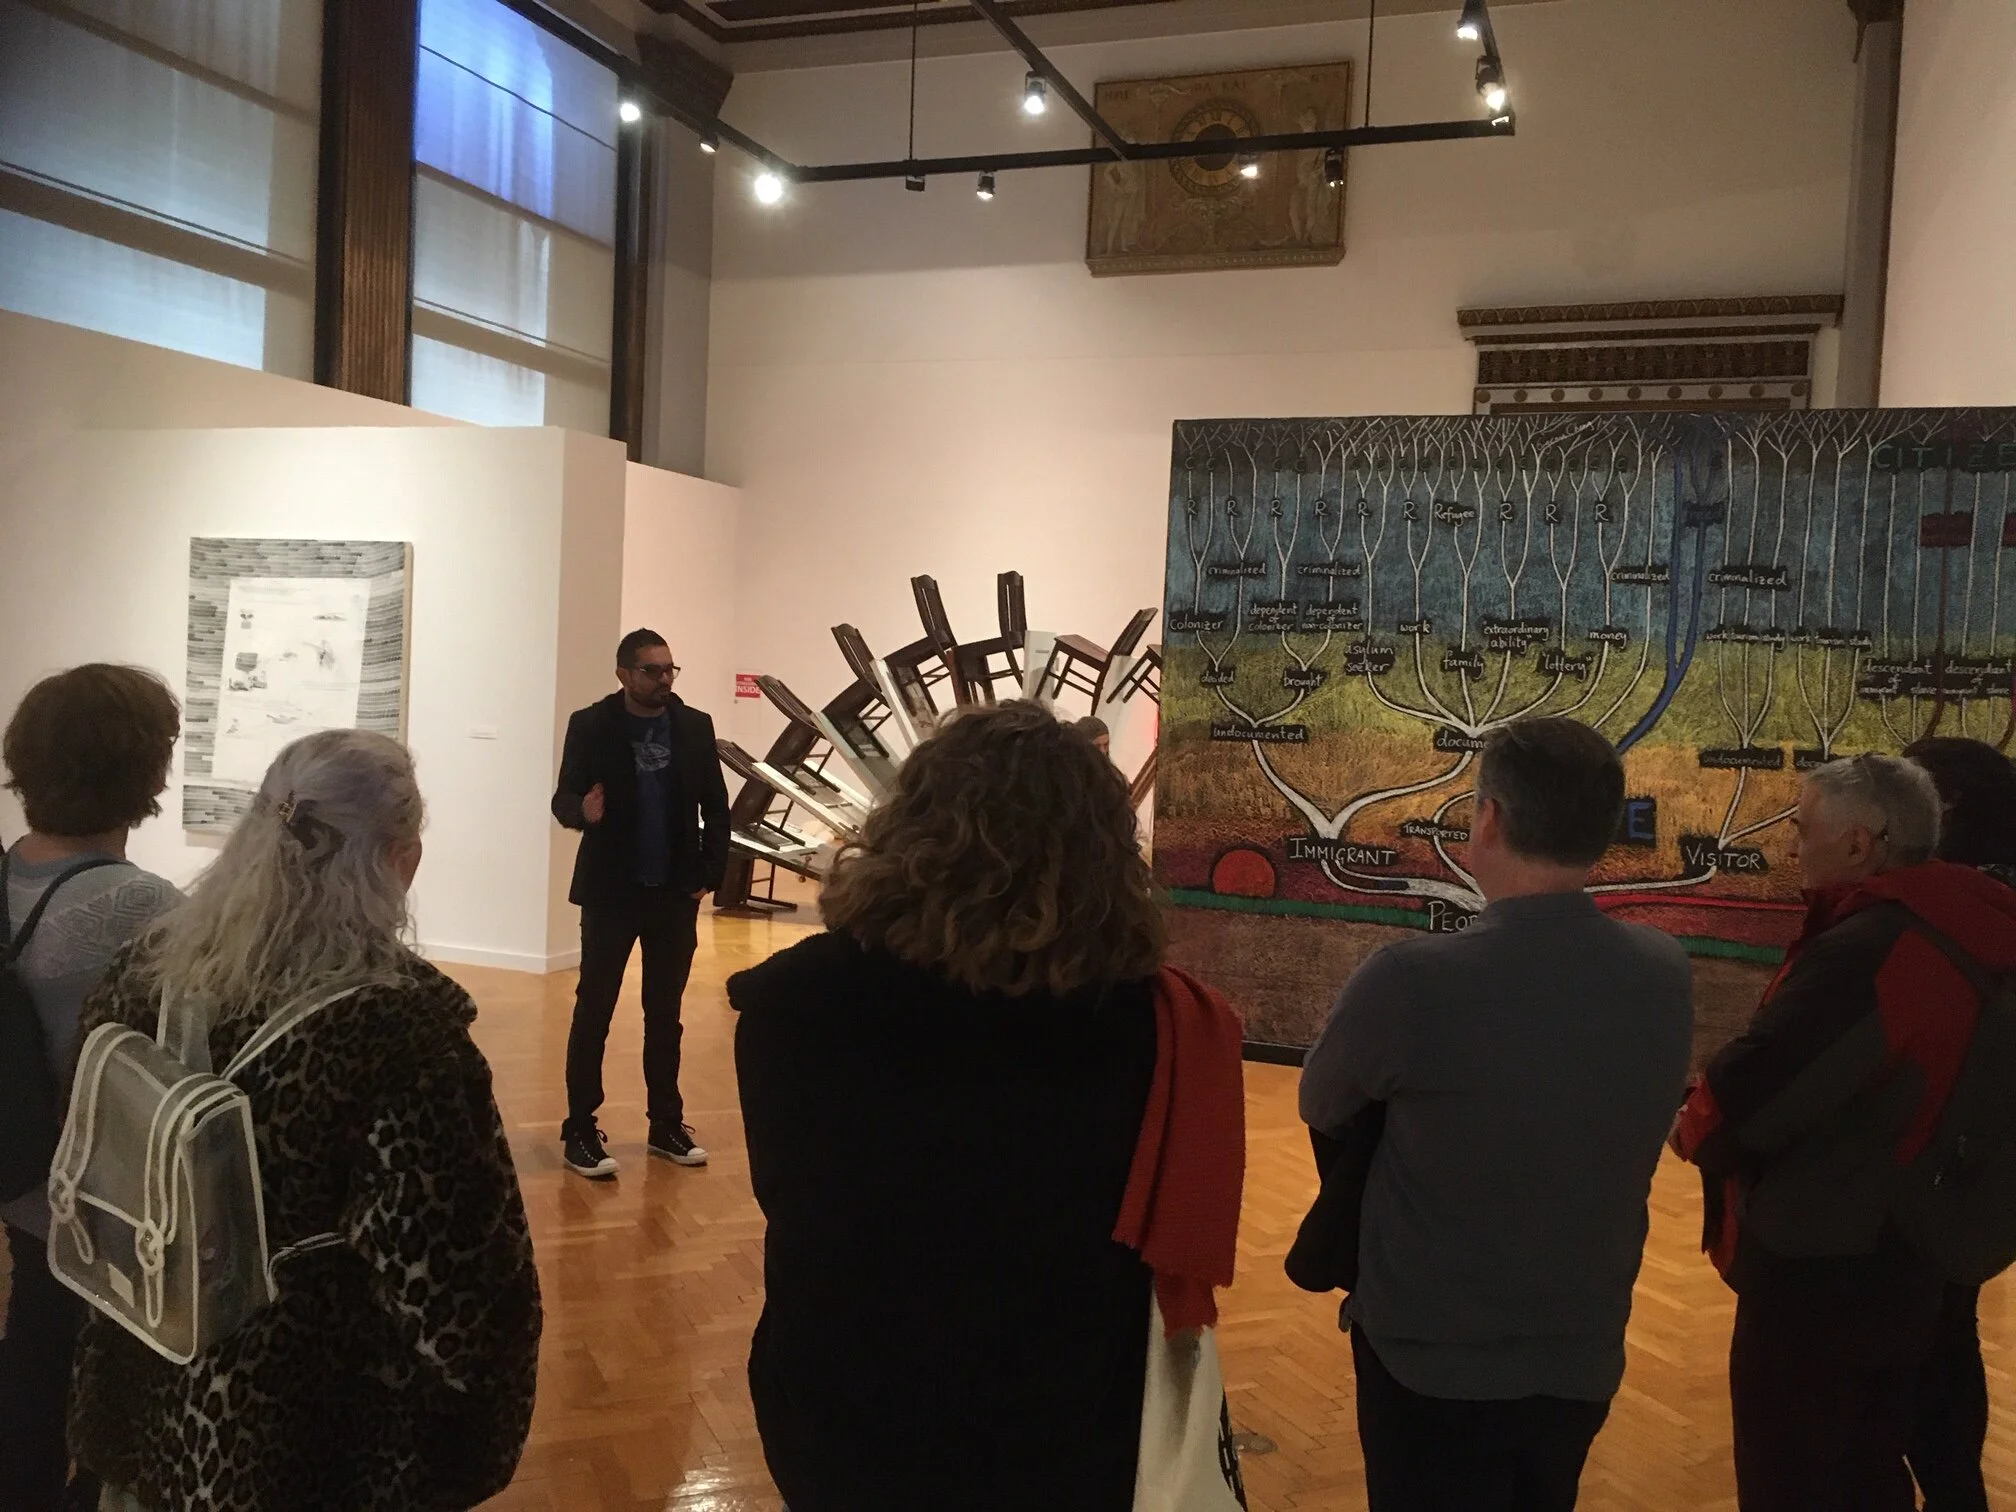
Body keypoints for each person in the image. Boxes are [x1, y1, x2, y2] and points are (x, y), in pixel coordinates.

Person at [731, 700, 1245, 1512]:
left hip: (852, 1397)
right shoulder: (1158, 1026)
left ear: (912, 823)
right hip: (1072, 1409)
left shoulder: (793, 1005)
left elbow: (795, 1199)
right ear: (1105, 848)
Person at [68, 730, 541, 1511]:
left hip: (146, 1384)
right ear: (402, 860)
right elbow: (456, 1294)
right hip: (299, 1436)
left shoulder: (144, 968)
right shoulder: (397, 1030)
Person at [1301, 716, 1694, 1512]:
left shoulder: (1411, 978)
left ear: (1490, 820)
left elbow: (1320, 1100)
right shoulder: (1664, 970)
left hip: (1431, 1355)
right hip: (1580, 1345)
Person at [1674, 754, 2016, 1512]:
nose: (1794, 847)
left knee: (1794, 1476)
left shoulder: (1879, 948)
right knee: (1869, 1461)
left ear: (1861, 844)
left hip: (1825, 1258)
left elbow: (1754, 1098)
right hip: (1915, 1243)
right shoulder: (1974, 921)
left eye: (1803, 829)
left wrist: (1692, 1127)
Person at [0, 666, 181, 1512]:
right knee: (112, 1382)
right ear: (142, 774)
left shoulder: (8, 875)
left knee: (34, 1339)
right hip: (105, 1207)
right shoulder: (145, 908)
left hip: (20, 1179)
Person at [551, 629, 730, 1178]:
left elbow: (717, 808)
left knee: (666, 1013)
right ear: (624, 673)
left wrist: (708, 876)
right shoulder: (592, 724)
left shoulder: (694, 726)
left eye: (670, 669)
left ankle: (666, 1125)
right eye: (652, 670)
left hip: (674, 895)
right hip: (611, 893)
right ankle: (579, 1130)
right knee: (594, 1011)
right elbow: (563, 801)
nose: (664, 679)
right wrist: (583, 811)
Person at [1899, 737, 2016, 1512]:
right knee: (1949, 1334)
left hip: (1933, 1168)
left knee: (1928, 1347)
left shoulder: (1945, 913)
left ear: (1949, 806)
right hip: (1983, 1173)